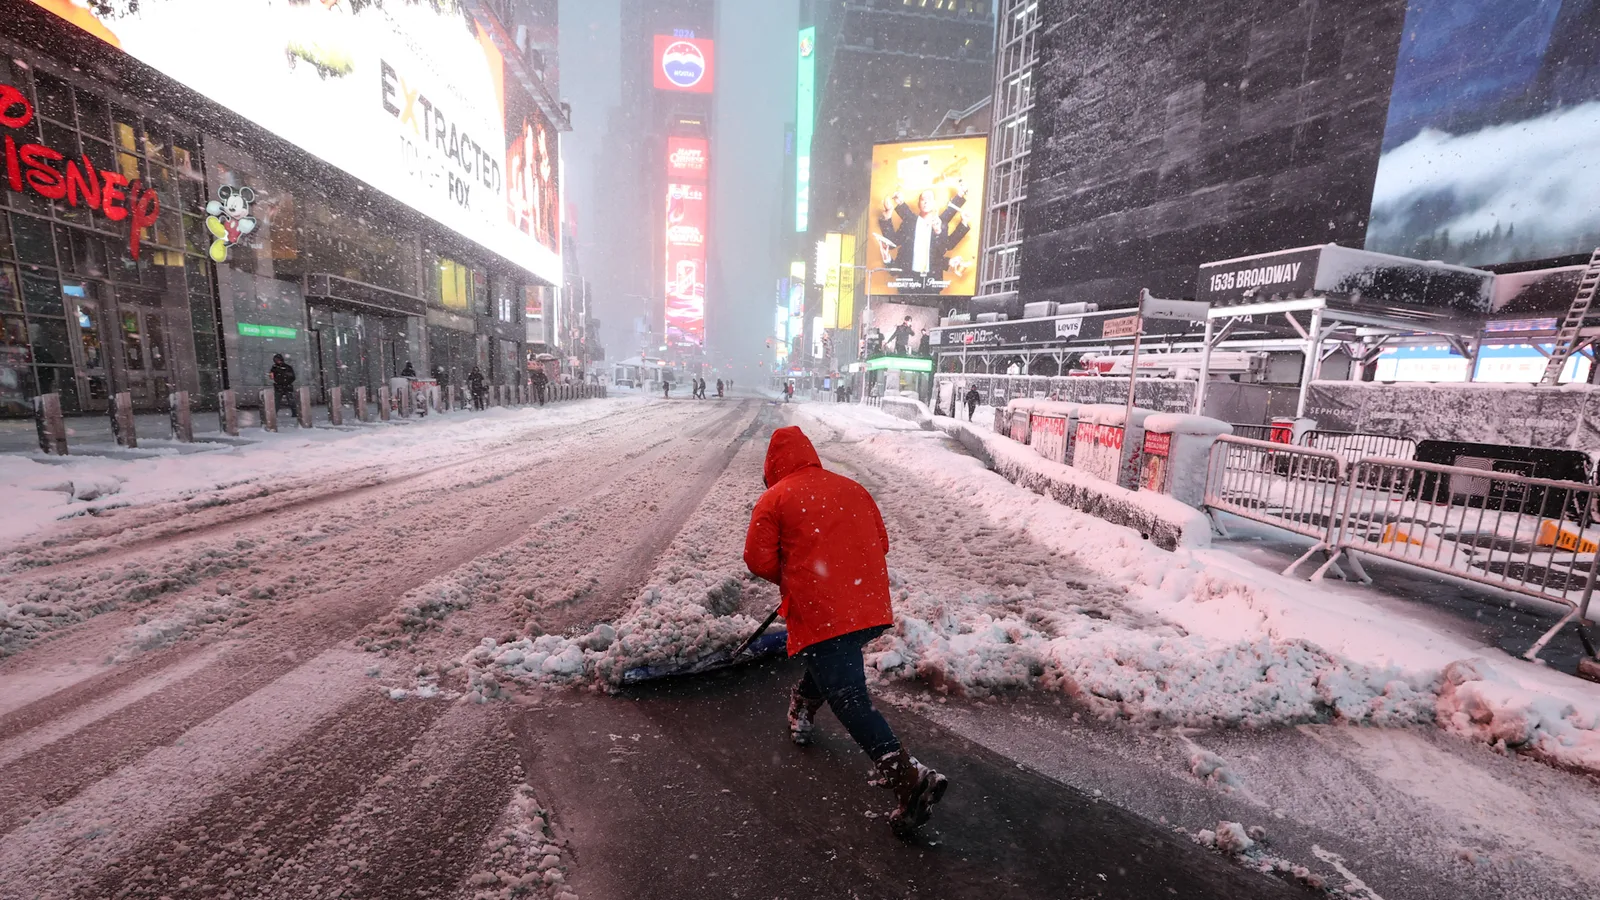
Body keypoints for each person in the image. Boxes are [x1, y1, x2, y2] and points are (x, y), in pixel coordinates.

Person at [744, 427, 948, 835]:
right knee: (828, 663)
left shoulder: (775, 497)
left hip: (824, 610)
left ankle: (908, 776)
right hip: (867, 605)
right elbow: (882, 543)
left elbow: (757, 560)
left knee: (849, 695)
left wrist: (798, 574)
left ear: (772, 465)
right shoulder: (852, 487)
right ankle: (802, 706)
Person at [876, 182, 970, 291]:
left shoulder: (940, 223)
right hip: (908, 282)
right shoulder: (910, 223)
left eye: (929, 199)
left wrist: (963, 218)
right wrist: (887, 218)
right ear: (919, 203)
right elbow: (892, 243)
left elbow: (948, 245)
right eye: (923, 199)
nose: (925, 202)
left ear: (934, 203)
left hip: (932, 282)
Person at [269, 353, 297, 418]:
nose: (277, 361)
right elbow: (271, 377)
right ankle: (295, 413)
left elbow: (292, 377)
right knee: (280, 401)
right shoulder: (277, 367)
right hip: (283, 386)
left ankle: (294, 413)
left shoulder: (276, 367)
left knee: (282, 401)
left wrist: (281, 382)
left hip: (282, 386)